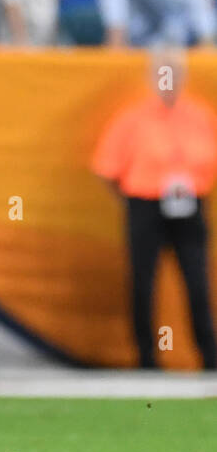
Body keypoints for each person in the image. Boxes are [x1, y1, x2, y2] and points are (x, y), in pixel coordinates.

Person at [91, 49, 217, 370]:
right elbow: (106, 168)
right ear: (151, 78)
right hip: (145, 206)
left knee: (197, 280)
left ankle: (208, 353)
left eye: (174, 73)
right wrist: (132, 199)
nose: (169, 81)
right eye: (163, 73)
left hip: (189, 207)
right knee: (143, 282)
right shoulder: (132, 120)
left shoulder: (201, 117)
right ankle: (146, 356)